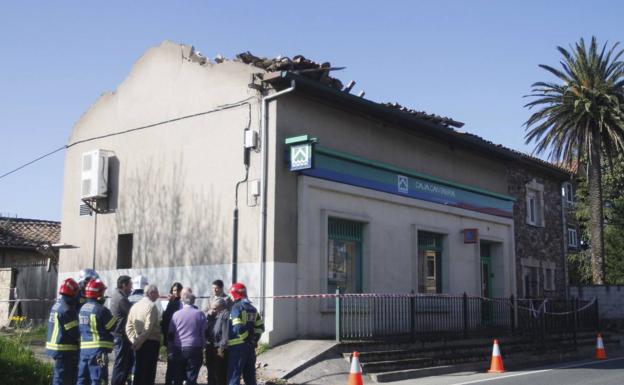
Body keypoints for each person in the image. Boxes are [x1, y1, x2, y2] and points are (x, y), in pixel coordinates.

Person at [78, 279, 116, 385]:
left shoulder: (82, 308)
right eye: (103, 292)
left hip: (84, 351)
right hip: (98, 352)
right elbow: (113, 326)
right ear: (98, 293)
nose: (104, 295)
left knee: (82, 379)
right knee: (99, 379)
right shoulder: (101, 310)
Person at [226, 282, 264, 385]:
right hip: (250, 348)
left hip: (237, 348)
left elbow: (238, 327)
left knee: (234, 376)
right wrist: (254, 340)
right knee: (250, 377)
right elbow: (260, 327)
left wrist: (246, 338)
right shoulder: (252, 309)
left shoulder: (236, 308)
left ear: (234, 294)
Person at [46, 278, 80, 385]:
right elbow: (75, 332)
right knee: (63, 379)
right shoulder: (68, 309)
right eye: (77, 292)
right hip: (64, 349)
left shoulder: (57, 305)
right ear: (72, 292)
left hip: (56, 347)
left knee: (59, 377)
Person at [168, 290, 206, 385]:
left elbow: (171, 333)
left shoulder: (176, 314)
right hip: (195, 348)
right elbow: (203, 333)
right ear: (194, 301)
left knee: (177, 377)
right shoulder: (200, 314)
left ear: (183, 301)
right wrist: (204, 346)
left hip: (179, 348)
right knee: (192, 377)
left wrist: (170, 347)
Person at [126, 284, 161, 385]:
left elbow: (128, 326)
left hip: (137, 343)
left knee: (138, 370)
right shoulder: (152, 306)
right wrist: (139, 342)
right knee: (149, 372)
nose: (158, 296)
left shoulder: (134, 306)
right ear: (151, 293)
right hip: (150, 342)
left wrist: (134, 340)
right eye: (156, 293)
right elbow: (148, 328)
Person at [110, 275, 134, 385]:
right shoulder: (121, 299)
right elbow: (132, 312)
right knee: (120, 364)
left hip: (119, 335)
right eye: (130, 285)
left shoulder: (116, 295)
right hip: (120, 336)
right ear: (124, 285)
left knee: (124, 363)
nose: (131, 288)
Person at [162, 282, 183, 385]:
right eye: (174, 290)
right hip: (171, 337)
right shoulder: (169, 303)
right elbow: (165, 320)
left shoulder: (183, 303)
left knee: (180, 364)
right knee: (171, 363)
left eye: (178, 290)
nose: (176, 293)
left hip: (181, 338)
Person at [205, 297, 230, 385]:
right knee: (211, 372)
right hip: (211, 347)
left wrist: (221, 351)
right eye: (212, 308)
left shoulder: (225, 315)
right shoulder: (213, 316)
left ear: (222, 307)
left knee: (220, 374)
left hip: (220, 349)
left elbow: (225, 336)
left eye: (215, 308)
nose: (213, 311)